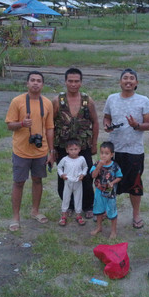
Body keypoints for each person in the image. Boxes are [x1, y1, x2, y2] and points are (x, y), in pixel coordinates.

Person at [103, 68, 149, 229]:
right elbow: (106, 117)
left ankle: (136, 214)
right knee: (110, 181)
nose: (128, 81)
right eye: (125, 78)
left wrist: (136, 125)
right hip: (114, 151)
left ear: (136, 83)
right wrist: (107, 125)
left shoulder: (143, 100)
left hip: (134, 151)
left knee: (135, 184)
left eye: (132, 78)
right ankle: (108, 210)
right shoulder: (111, 98)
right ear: (120, 82)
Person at [5, 71, 55, 231]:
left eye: (39, 81)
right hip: (21, 150)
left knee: (37, 180)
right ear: (27, 83)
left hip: (40, 151)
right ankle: (15, 217)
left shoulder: (47, 103)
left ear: (42, 84)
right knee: (18, 182)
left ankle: (35, 211)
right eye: (32, 80)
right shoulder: (17, 101)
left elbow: (49, 128)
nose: (35, 83)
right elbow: (9, 125)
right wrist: (21, 124)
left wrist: (51, 151)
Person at [51, 68, 99, 219]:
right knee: (64, 177)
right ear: (65, 82)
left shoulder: (87, 100)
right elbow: (50, 125)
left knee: (85, 176)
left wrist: (94, 143)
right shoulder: (58, 101)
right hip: (63, 146)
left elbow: (95, 122)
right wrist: (52, 149)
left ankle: (87, 205)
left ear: (81, 82)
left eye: (76, 81)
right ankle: (69, 205)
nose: (73, 84)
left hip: (83, 146)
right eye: (70, 81)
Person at [90, 141, 123, 239]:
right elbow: (93, 175)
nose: (103, 156)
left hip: (110, 191)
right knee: (98, 209)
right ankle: (99, 227)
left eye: (106, 153)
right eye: (102, 153)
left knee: (111, 210)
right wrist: (99, 166)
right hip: (99, 190)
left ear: (112, 155)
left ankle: (113, 231)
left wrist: (113, 183)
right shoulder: (96, 164)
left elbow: (119, 176)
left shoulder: (115, 166)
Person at [56, 139, 88, 226]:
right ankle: (63, 215)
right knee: (66, 198)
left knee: (78, 198)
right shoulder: (65, 159)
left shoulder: (81, 159)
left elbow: (85, 167)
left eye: (75, 149)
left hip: (78, 182)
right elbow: (59, 167)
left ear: (79, 149)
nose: (73, 152)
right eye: (71, 149)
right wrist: (62, 175)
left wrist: (83, 174)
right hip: (68, 182)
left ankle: (78, 215)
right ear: (67, 150)